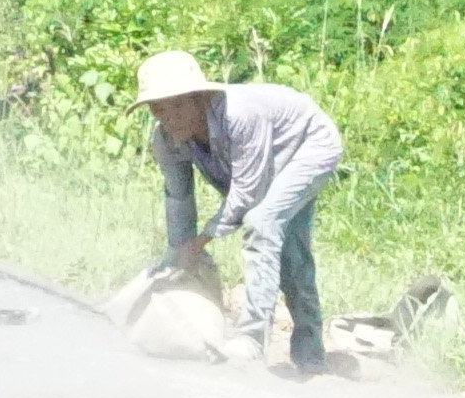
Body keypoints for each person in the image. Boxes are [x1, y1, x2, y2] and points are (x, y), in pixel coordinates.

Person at [139, 48, 347, 373]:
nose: (170, 117)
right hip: (259, 165)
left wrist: (203, 239)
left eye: (178, 105)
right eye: (159, 108)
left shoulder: (240, 115)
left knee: (263, 223)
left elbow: (247, 192)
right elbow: (178, 198)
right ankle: (311, 357)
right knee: (285, 247)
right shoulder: (166, 141)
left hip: (308, 145)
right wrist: (180, 254)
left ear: (199, 98)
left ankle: (253, 341)